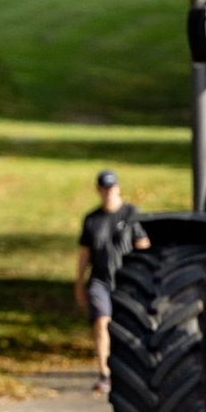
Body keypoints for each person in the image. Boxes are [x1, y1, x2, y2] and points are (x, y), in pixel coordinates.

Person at [75, 169, 150, 396]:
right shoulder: (92, 220)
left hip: (128, 280)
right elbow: (84, 254)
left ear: (118, 188)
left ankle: (134, 372)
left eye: (112, 188)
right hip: (100, 280)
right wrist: (78, 282)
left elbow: (144, 246)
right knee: (101, 322)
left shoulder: (131, 214)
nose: (108, 192)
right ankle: (105, 373)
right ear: (99, 190)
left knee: (130, 327)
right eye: (104, 188)